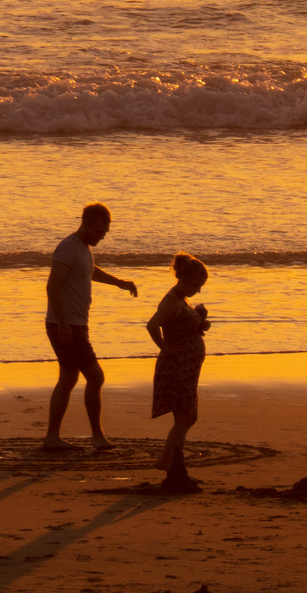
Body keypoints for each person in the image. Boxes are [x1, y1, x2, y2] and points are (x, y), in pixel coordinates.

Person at [44, 202, 137, 450]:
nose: (101, 237)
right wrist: (63, 325)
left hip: (76, 325)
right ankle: (97, 436)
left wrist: (118, 282)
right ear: (85, 223)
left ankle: (53, 438)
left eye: (104, 233)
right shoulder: (67, 248)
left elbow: (89, 270)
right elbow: (52, 286)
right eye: (97, 231)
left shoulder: (83, 249)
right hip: (66, 325)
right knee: (95, 377)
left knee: (69, 377)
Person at [147, 253, 210, 488]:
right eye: (196, 285)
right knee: (184, 417)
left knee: (190, 416)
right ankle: (172, 464)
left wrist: (200, 321)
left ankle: (169, 460)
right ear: (183, 278)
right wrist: (165, 348)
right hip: (177, 368)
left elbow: (180, 328)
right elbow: (152, 325)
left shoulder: (182, 299)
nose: (198, 290)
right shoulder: (171, 301)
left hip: (187, 368)